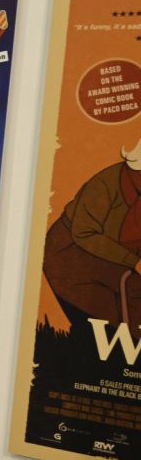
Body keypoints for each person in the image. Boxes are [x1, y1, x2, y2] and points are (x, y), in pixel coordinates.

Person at [43, 139, 141, 327]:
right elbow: (84, 233)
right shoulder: (107, 183)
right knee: (113, 314)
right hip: (72, 252)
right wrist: (134, 261)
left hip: (115, 253)